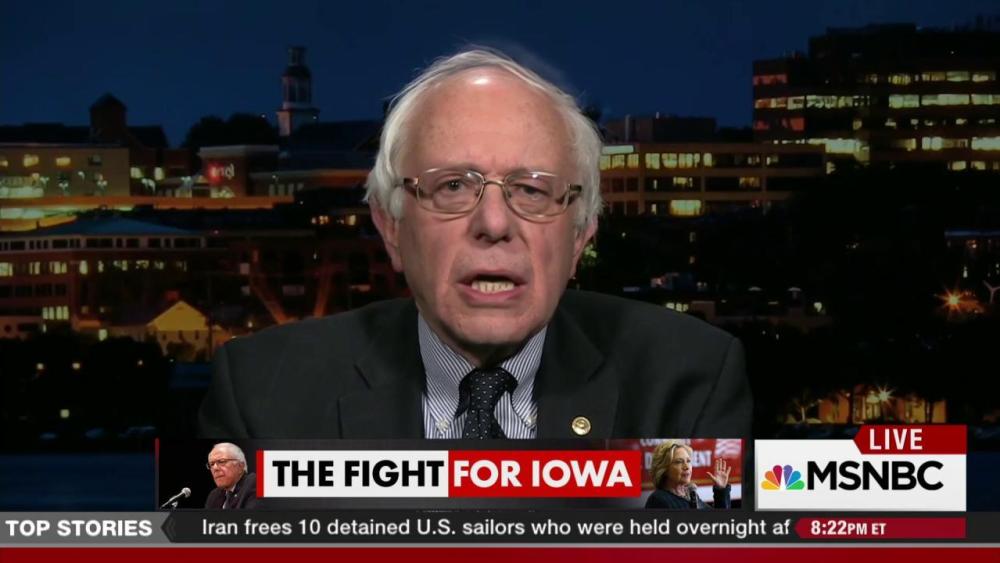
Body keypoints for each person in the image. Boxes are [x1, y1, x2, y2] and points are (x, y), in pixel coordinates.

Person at [198, 48, 751, 440]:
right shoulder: (262, 395)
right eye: (452, 187)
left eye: (532, 190)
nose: (493, 222)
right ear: (391, 227)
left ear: (581, 234)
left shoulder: (688, 382)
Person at [645, 440, 731, 509]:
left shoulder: (691, 495)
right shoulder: (658, 500)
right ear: (664, 469)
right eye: (679, 462)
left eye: (688, 461)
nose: (686, 467)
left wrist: (721, 490)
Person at [204, 442, 257, 509]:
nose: (215, 468)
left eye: (221, 461)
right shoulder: (214, 496)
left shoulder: (255, 482)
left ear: (240, 466)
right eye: (211, 464)